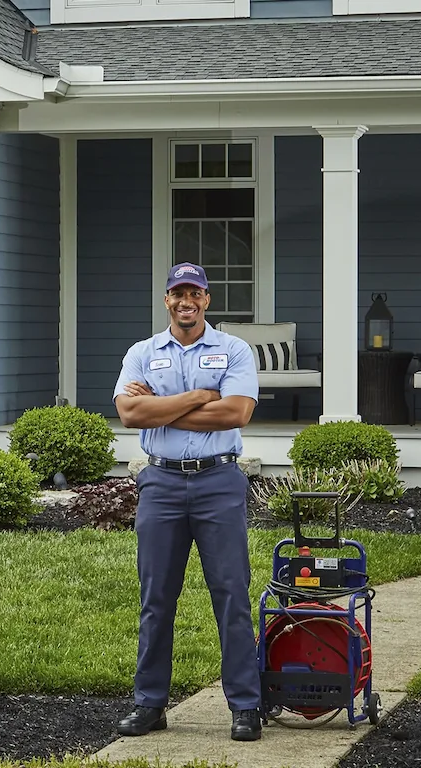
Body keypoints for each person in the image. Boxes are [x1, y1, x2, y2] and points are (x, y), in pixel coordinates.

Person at [110, 262, 263, 742]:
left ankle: (245, 706)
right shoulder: (142, 352)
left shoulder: (234, 349)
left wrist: (163, 406)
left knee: (232, 597)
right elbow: (130, 412)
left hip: (219, 482)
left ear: (207, 300)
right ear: (167, 300)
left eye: (194, 293)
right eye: (178, 293)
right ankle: (149, 703)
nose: (186, 301)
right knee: (156, 600)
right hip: (161, 484)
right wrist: (200, 396)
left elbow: (236, 412)